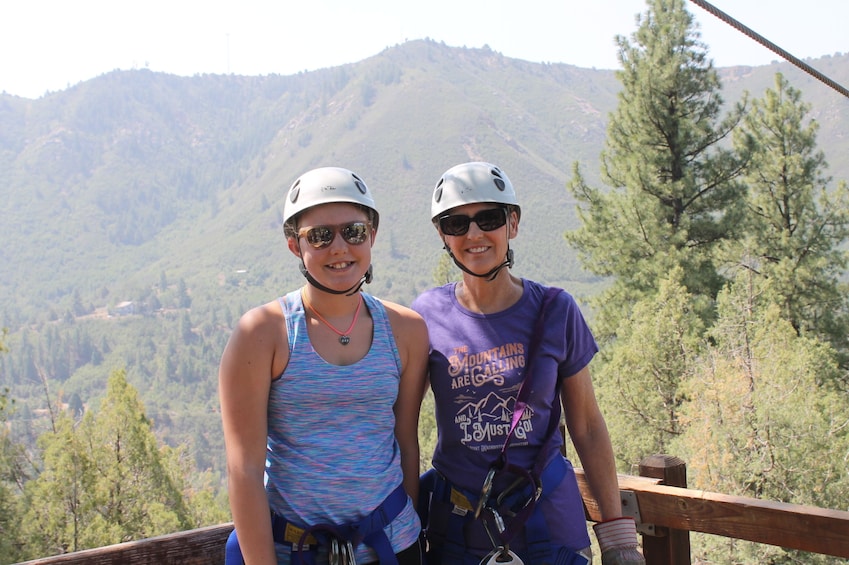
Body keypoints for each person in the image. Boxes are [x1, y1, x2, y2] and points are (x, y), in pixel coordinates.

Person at [411, 162, 644, 565]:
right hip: (457, 528)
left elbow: (586, 426)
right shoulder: (427, 315)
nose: (474, 234)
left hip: (547, 523)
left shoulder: (555, 310)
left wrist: (618, 539)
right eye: (456, 224)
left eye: (489, 218)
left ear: (512, 223)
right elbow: (402, 427)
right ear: (442, 236)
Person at [219, 166, 428, 565]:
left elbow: (406, 441)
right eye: (319, 235)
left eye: (353, 232)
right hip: (295, 552)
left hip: (393, 545)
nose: (339, 248)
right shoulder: (263, 334)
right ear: (294, 245)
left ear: (372, 235)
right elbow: (243, 469)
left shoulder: (406, 331)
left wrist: (408, 532)